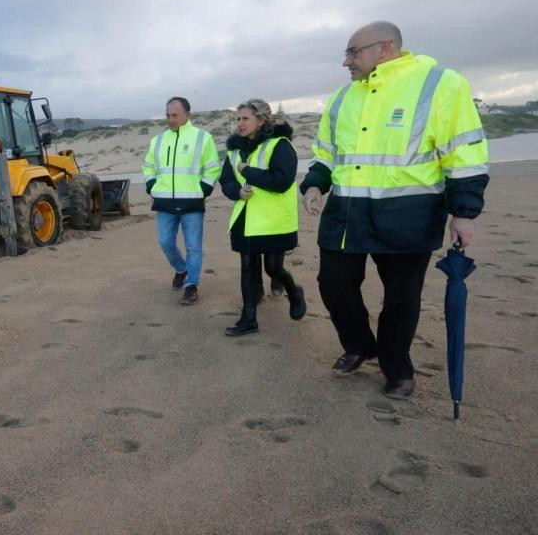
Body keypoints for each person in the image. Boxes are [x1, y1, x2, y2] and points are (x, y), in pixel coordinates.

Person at [300, 21, 489, 400]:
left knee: (401, 298)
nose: (346, 62)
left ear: (384, 48)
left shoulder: (439, 83)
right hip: (347, 213)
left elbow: (464, 153)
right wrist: (315, 182)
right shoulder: (342, 97)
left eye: (352, 52)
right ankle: (359, 344)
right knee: (333, 285)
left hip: (409, 214)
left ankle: (396, 366)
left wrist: (464, 211)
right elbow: (327, 153)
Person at [220, 99, 306, 336]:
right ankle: (248, 319)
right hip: (245, 219)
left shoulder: (280, 145)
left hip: (273, 220)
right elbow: (226, 180)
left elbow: (281, 181)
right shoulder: (234, 151)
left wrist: (248, 172)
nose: (240, 123)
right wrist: (236, 192)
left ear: (261, 120)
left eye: (245, 118)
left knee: (272, 268)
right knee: (247, 267)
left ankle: (294, 291)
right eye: (238, 119)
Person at [141, 97, 222, 305]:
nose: (171, 119)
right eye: (168, 115)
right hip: (164, 202)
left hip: (192, 203)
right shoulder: (157, 141)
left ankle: (191, 285)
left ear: (187, 114)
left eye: (175, 115)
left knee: (194, 247)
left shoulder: (203, 138)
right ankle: (181, 269)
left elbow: (213, 167)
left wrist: (203, 189)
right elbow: (148, 166)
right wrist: (152, 185)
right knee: (165, 242)